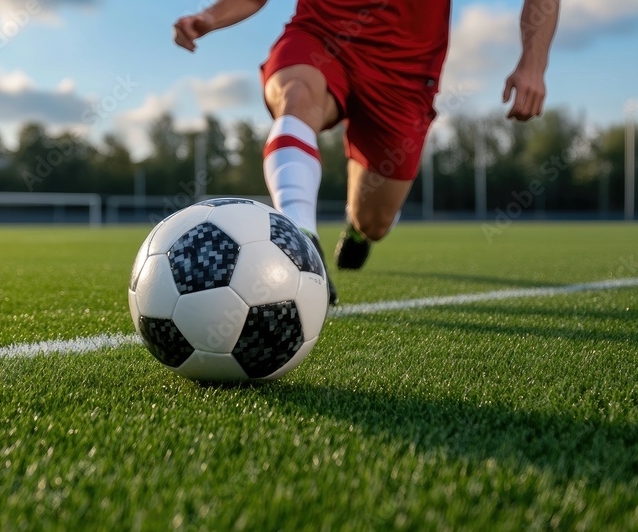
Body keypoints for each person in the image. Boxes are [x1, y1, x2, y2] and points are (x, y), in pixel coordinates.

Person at [173, 0, 559, 305]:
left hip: (404, 70)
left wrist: (533, 63)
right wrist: (210, 17)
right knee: (296, 95)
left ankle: (357, 232)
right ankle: (300, 240)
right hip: (322, 34)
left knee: (374, 220)